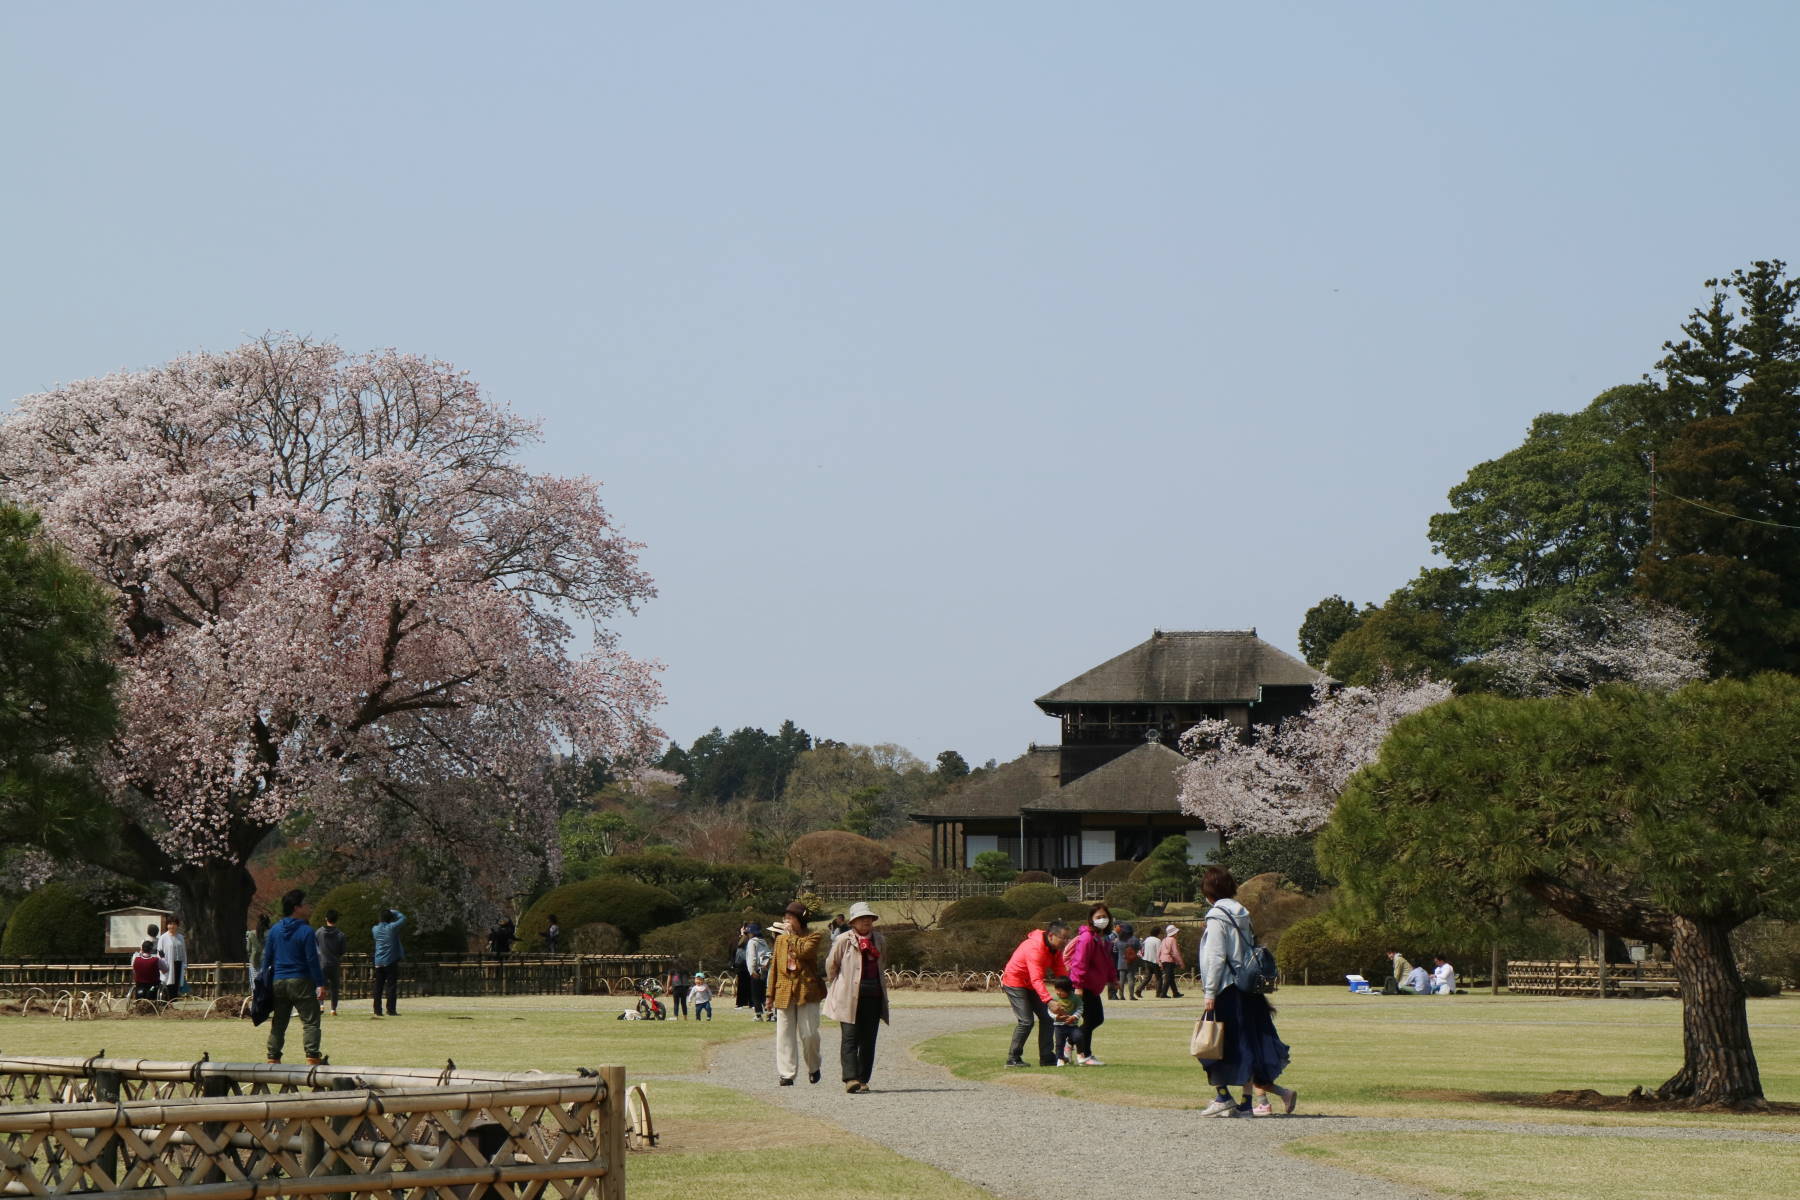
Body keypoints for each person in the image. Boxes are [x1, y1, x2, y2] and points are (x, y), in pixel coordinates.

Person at [1196, 867, 1295, 1118]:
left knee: (1211, 1042)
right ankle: (1246, 1102)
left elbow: (1216, 956)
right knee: (1245, 1043)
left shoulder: (1217, 915)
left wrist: (1210, 991)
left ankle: (1222, 1096)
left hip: (1226, 987)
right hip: (1247, 988)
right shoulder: (1242, 913)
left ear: (1209, 892)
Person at [824, 900, 889, 1093]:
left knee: (869, 1040)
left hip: (874, 995)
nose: (866, 921)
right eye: (861, 918)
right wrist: (839, 983)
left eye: (868, 918)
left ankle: (863, 1078)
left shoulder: (880, 940)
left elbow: (882, 962)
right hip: (848, 996)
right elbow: (831, 964)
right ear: (853, 922)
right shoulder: (844, 939)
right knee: (850, 1037)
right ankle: (850, 1078)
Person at [262, 888, 327, 1065]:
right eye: (305, 903)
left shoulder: (275, 930)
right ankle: (312, 1057)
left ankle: (273, 1057)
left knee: (279, 1022)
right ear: (296, 907)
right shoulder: (306, 931)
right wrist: (320, 983)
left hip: (279, 981)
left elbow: (266, 958)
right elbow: (312, 959)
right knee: (311, 1021)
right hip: (301, 979)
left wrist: (262, 982)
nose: (308, 906)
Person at [767, 902, 826, 1086]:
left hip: (807, 990)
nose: (786, 921)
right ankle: (787, 1073)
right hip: (784, 989)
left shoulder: (814, 937)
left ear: (800, 920)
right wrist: (769, 995)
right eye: (786, 917)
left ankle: (814, 1066)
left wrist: (791, 936)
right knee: (784, 1034)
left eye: (790, 918)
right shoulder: (780, 940)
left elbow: (804, 952)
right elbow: (774, 967)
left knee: (809, 1034)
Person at [1000, 919, 1070, 1067]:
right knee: (1026, 1021)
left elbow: (1061, 972)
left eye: (1067, 938)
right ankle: (1013, 1059)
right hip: (1015, 982)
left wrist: (1069, 993)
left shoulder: (1055, 949)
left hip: (1030, 985)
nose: (1066, 941)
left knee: (1047, 1018)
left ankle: (1046, 1058)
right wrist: (1049, 1001)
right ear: (1051, 936)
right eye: (1063, 938)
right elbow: (1036, 979)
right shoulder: (1035, 948)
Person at [1061, 903, 1117, 1065]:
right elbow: (1080, 962)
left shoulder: (1103, 938)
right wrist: (1078, 985)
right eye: (1098, 917)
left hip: (1092, 987)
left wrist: (1113, 979)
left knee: (1094, 1019)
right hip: (1083, 986)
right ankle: (1080, 1051)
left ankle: (1080, 1049)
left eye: (1104, 917)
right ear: (1091, 920)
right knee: (1093, 1019)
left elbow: (1107, 962)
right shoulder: (1087, 938)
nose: (1102, 920)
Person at [371, 908, 406, 1017]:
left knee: (378, 987)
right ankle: (391, 1010)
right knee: (391, 986)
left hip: (378, 961)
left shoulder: (375, 929)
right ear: (390, 919)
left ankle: (377, 1010)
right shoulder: (392, 928)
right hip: (390, 961)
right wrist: (394, 911)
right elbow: (403, 918)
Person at [1046, 976, 1083, 1065]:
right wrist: (1056, 1017)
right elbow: (1049, 1010)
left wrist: (1074, 1017)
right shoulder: (1054, 999)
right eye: (1056, 989)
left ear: (1069, 990)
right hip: (1059, 1026)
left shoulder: (1075, 998)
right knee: (1059, 1043)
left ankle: (1080, 1055)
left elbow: (1080, 1008)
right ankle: (1060, 1059)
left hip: (1072, 1026)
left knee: (1079, 1037)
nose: (1058, 992)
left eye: (1061, 990)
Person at [317, 909, 347, 1015]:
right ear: (336, 920)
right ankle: (333, 1009)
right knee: (335, 987)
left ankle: (321, 1005)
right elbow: (342, 951)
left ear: (326, 918)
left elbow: (315, 947)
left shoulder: (319, 932)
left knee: (320, 985)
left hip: (322, 963)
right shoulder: (341, 935)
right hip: (334, 963)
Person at [156, 916, 187, 1003]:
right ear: (167, 925)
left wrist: (184, 963)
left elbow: (184, 951)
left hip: (178, 963)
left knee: (177, 982)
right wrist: (163, 964)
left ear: (177, 925)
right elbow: (160, 952)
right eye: (170, 924)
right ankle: (167, 1001)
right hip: (168, 964)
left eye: (174, 924)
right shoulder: (163, 937)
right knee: (169, 982)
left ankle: (174, 1000)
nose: (172, 926)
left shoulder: (180, 937)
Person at [745, 922, 772, 1020]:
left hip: (756, 970)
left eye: (748, 933)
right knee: (764, 992)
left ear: (752, 933)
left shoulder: (752, 942)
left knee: (755, 993)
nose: (747, 935)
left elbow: (752, 957)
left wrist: (752, 970)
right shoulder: (763, 941)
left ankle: (758, 1014)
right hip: (765, 969)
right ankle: (770, 1013)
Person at [1114, 921, 1145, 1000]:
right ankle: (1131, 996)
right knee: (1131, 979)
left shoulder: (1118, 940)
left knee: (1121, 980)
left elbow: (1115, 950)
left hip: (1121, 962)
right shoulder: (1134, 939)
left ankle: (1121, 996)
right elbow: (1140, 948)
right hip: (1131, 961)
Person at [1157, 923, 1185, 999]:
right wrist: (1181, 962)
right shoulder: (1173, 940)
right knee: (1169, 978)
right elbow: (1175, 952)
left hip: (1163, 960)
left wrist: (1159, 961)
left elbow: (1159, 951)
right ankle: (1163, 993)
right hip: (1169, 960)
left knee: (1171, 977)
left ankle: (1175, 993)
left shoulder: (1164, 939)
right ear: (1174, 933)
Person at [1140, 926, 1163, 997]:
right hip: (1154, 961)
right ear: (1158, 933)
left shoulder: (1147, 939)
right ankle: (1158, 993)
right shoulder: (1158, 941)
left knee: (1148, 977)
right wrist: (1160, 962)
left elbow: (1142, 948)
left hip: (1146, 960)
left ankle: (1138, 990)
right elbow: (1159, 952)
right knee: (1159, 978)